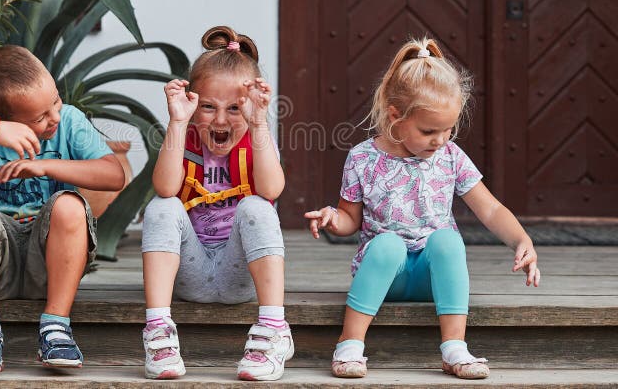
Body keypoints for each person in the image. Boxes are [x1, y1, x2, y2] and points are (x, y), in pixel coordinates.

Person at [304, 38, 540, 380]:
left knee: (447, 240)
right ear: (395, 116)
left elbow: (490, 209)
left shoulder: (450, 157)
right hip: (389, 276)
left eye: (449, 129)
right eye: (429, 130)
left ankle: (454, 347)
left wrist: (522, 240)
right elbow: (349, 219)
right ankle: (350, 344)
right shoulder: (362, 158)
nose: (441, 139)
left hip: (433, 276)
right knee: (387, 244)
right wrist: (331, 218)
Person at [0, 45, 125, 375]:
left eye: (55, 102)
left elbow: (113, 175)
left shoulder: (69, 122)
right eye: (39, 117)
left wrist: (47, 168)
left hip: (50, 264)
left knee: (70, 206)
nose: (54, 117)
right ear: (5, 119)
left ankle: (56, 328)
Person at [141, 26, 293, 381]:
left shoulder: (256, 138)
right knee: (161, 206)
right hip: (188, 273)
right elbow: (165, 187)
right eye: (208, 107)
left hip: (239, 274)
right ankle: (158, 330)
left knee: (258, 206)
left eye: (235, 109)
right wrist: (178, 124)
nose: (220, 119)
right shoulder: (187, 134)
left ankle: (273, 328)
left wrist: (258, 125)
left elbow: (272, 189)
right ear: (193, 102)